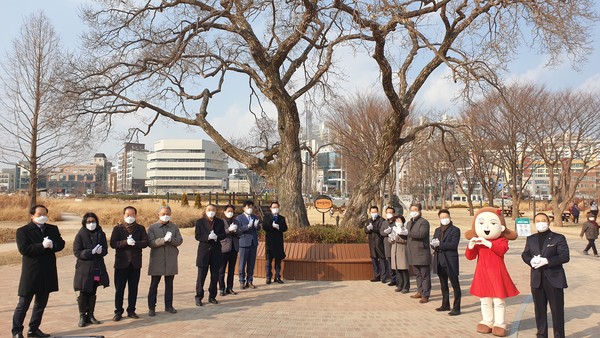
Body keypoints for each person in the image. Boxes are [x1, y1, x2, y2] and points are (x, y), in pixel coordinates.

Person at [12, 205, 65, 338]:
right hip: (31, 272)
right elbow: (24, 249)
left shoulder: (52, 229)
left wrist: (53, 245)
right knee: (23, 304)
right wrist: (41, 246)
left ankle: (33, 329)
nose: (43, 216)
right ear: (32, 216)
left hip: (47, 271)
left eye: (45, 214)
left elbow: (61, 244)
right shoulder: (23, 231)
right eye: (39, 214)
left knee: (41, 304)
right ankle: (17, 331)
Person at [465, 207, 519, 337]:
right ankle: (487, 321)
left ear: (501, 228)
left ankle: (500, 323)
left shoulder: (502, 240)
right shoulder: (478, 241)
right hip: (482, 273)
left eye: (493, 223)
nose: (487, 227)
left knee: (498, 300)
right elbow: (470, 257)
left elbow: (502, 250)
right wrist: (471, 245)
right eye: (482, 223)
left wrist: (488, 243)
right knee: (485, 299)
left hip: (497, 273)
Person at [522, 212, 570, 338]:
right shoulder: (530, 238)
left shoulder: (558, 238)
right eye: (537, 221)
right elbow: (525, 254)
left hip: (554, 279)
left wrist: (547, 261)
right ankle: (541, 335)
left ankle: (559, 335)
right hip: (537, 279)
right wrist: (530, 261)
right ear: (534, 223)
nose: (540, 223)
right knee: (539, 310)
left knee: (557, 311)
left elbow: (564, 256)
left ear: (548, 222)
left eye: (543, 220)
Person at [109, 206, 148, 321]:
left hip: (135, 263)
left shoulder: (140, 228)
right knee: (119, 289)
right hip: (121, 263)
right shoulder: (118, 228)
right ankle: (118, 311)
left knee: (133, 288)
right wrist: (125, 242)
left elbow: (145, 242)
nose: (130, 217)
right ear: (123, 215)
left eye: (132, 215)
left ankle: (131, 310)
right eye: (127, 214)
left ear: (136, 215)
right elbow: (113, 243)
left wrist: (135, 243)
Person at [73, 212, 109, 327]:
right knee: (83, 291)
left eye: (93, 221)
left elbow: (105, 251)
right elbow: (77, 252)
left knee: (93, 290)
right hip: (84, 268)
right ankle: (82, 315)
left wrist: (100, 252)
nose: (91, 224)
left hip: (97, 267)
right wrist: (90, 252)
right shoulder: (80, 235)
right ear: (84, 223)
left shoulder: (101, 234)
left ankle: (91, 315)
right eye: (89, 222)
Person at [147, 206, 183, 316]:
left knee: (169, 284)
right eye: (163, 213)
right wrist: (163, 240)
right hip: (157, 259)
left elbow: (179, 240)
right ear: (158, 214)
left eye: (168, 213)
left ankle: (169, 306)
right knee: (154, 284)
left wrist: (171, 239)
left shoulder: (174, 227)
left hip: (170, 258)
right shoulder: (153, 227)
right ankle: (152, 307)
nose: (165, 215)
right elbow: (150, 243)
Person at [430, 209, 461, 316]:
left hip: (450, 261)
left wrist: (440, 244)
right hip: (439, 260)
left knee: (455, 284)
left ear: (449, 217)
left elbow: (453, 245)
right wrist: (433, 244)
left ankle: (456, 307)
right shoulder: (437, 230)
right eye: (442, 217)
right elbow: (434, 242)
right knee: (443, 284)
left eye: (446, 217)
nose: (444, 219)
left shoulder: (455, 230)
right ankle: (445, 304)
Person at [195, 204, 226, 306]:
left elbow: (223, 234)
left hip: (216, 251)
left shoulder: (220, 222)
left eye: (213, 209)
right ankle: (199, 296)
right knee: (201, 276)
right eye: (209, 209)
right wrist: (207, 237)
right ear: (205, 210)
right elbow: (197, 236)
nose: (211, 211)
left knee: (215, 276)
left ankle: (212, 296)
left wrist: (216, 237)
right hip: (204, 252)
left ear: (216, 211)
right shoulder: (200, 222)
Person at [406, 203, 431, 303]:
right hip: (412, 252)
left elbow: (421, 234)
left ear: (420, 211)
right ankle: (420, 291)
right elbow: (407, 236)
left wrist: (408, 233)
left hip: (422, 252)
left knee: (424, 275)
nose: (413, 212)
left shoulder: (424, 222)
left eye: (415, 209)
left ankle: (426, 294)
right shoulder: (409, 223)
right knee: (417, 274)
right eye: (412, 210)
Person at [236, 200, 261, 290]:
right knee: (242, 263)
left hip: (253, 243)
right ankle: (242, 281)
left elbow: (258, 228)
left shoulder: (255, 217)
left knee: (251, 263)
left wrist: (256, 225)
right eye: (248, 207)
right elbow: (238, 230)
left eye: (251, 207)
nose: (250, 209)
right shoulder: (239, 218)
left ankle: (250, 281)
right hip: (244, 242)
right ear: (243, 208)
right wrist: (248, 226)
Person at [263, 201, 288, 284]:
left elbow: (285, 228)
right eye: (274, 207)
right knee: (268, 261)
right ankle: (268, 277)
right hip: (270, 241)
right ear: (270, 208)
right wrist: (272, 226)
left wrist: (278, 227)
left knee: (278, 260)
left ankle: (277, 276)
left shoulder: (282, 218)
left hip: (278, 241)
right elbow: (264, 227)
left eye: (277, 207)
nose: (275, 209)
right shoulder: (266, 217)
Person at [219, 205, 240, 296]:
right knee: (222, 269)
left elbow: (240, 232)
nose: (230, 213)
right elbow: (220, 234)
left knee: (231, 269)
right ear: (224, 212)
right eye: (228, 211)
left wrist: (235, 231)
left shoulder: (236, 221)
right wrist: (228, 230)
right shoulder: (221, 222)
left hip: (234, 248)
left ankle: (230, 287)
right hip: (224, 247)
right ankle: (222, 288)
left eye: (232, 211)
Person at [364, 206, 387, 282]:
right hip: (372, 243)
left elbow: (381, 230)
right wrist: (368, 228)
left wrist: (373, 228)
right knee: (374, 259)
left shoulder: (382, 220)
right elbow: (366, 231)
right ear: (370, 212)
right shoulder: (369, 220)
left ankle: (384, 277)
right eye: (372, 212)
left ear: (378, 212)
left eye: (375, 212)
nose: (374, 213)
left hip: (379, 242)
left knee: (382, 259)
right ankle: (376, 276)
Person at [389, 215, 410, 293]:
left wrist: (396, 238)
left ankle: (406, 286)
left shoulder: (405, 230)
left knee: (404, 269)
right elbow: (389, 239)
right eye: (396, 221)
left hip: (402, 251)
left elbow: (406, 241)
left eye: (399, 220)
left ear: (403, 221)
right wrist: (391, 238)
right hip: (394, 251)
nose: (398, 222)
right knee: (398, 270)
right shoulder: (394, 229)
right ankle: (400, 285)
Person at [379, 206, 397, 286]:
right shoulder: (384, 222)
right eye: (387, 212)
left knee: (396, 263)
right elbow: (381, 232)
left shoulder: (397, 222)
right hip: (387, 245)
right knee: (390, 262)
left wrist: (392, 232)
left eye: (390, 212)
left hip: (395, 244)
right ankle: (393, 279)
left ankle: (398, 279)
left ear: (394, 213)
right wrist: (387, 232)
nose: (389, 214)